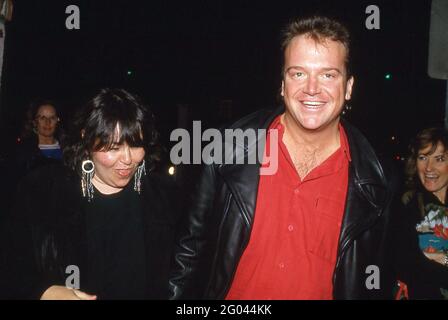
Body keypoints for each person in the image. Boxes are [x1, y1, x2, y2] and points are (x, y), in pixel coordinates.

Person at [169, 15, 448, 300]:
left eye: (328, 74)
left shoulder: (379, 178)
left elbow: (375, 274)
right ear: (282, 84)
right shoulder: (228, 148)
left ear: (349, 87)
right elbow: (189, 250)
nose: (312, 88)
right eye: (298, 73)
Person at [1, 88, 180, 299]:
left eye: (135, 145)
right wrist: (43, 292)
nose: (127, 159)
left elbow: (182, 274)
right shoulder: (41, 191)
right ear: (87, 138)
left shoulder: (163, 197)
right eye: (113, 147)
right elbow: (10, 266)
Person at [399, 127, 448, 298]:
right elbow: (414, 268)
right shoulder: (408, 207)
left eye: (439, 159)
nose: (429, 168)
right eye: (423, 158)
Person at [15, 100, 64, 174]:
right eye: (42, 118)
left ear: (57, 120)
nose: (47, 122)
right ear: (35, 122)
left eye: (52, 118)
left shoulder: (67, 149)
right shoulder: (24, 152)